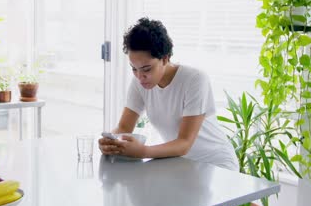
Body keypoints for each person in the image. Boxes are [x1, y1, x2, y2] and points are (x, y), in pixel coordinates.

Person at [98, 18, 238, 171]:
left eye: (146, 69)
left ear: (165, 58)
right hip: (181, 163)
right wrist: (110, 142)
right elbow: (124, 127)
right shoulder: (139, 83)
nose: (139, 76)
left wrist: (143, 151)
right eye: (134, 68)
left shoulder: (195, 80)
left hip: (216, 164)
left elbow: (184, 142)